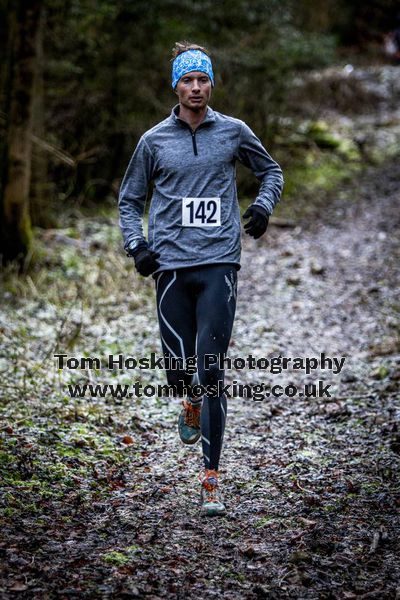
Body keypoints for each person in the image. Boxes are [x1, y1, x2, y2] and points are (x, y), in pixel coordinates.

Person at [118, 41, 283, 516]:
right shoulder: (153, 141)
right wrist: (138, 245)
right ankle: (186, 396)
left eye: (203, 80)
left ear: (212, 84)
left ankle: (210, 476)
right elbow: (129, 200)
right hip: (169, 265)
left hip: (218, 263)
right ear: (176, 85)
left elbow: (271, 171)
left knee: (211, 370)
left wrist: (263, 206)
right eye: (188, 80)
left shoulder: (233, 132)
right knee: (179, 371)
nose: (196, 88)